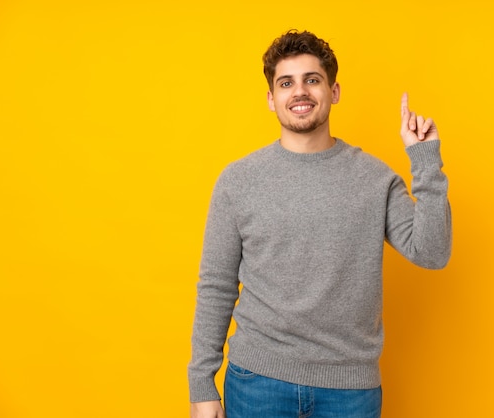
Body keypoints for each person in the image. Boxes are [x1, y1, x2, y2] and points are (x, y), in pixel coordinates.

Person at [188, 30, 452, 418]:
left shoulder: (375, 179)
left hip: (350, 391)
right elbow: (216, 285)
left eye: (312, 80)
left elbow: (432, 253)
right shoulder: (238, 181)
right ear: (271, 98)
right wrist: (201, 385)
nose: (300, 92)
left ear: (334, 91)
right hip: (257, 382)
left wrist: (425, 161)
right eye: (286, 83)